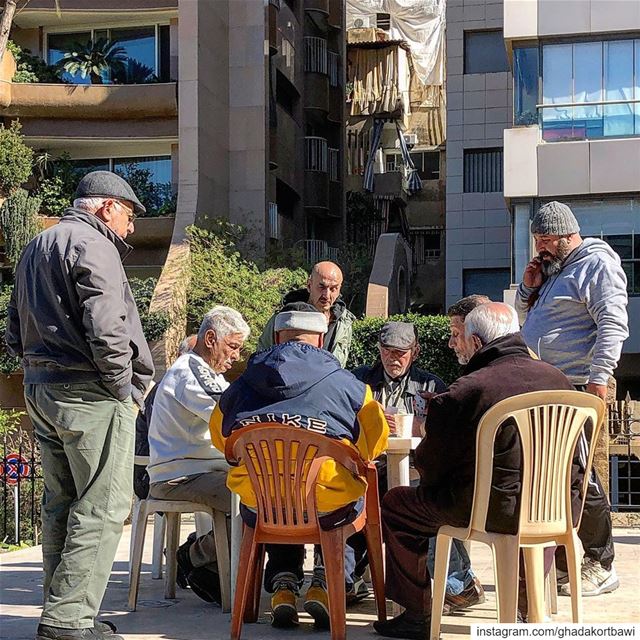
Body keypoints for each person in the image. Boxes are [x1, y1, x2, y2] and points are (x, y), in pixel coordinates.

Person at [5, 171, 154, 640]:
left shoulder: (37, 245)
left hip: (42, 388)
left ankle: (64, 612)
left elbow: (12, 328)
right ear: (107, 207)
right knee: (104, 507)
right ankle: (69, 621)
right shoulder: (95, 245)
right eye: (129, 215)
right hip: (89, 393)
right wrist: (121, 388)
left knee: (62, 505)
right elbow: (108, 324)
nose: (130, 228)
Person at [374, 303, 576, 639]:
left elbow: (430, 465)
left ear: (478, 343)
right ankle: (527, 611)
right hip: (556, 508)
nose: (456, 345)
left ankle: (417, 615)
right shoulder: (558, 380)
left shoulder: (470, 389)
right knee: (521, 510)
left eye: (461, 338)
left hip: (489, 511)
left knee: (398, 504)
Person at [210, 302, 388, 629]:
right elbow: (374, 443)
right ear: (320, 340)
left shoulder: (241, 385)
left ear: (277, 336)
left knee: (277, 491)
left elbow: (222, 440)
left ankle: (283, 588)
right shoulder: (349, 385)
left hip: (261, 506)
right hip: (327, 506)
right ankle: (324, 583)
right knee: (351, 493)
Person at [514, 201, 628, 597]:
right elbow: (528, 320)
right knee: (554, 478)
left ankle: (601, 563)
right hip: (550, 386)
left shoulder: (596, 264)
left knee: (581, 476)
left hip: (579, 386)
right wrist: (529, 286)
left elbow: (613, 322)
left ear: (566, 235)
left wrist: (599, 380)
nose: (540, 248)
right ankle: (566, 567)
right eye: (538, 240)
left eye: (546, 240)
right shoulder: (555, 271)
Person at [352, 321, 483, 613]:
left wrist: (421, 426)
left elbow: (449, 435)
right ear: (379, 350)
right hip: (368, 465)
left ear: (415, 352)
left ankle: (454, 583)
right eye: (387, 350)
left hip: (416, 468)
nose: (393, 358)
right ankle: (345, 578)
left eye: (401, 352)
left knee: (422, 497)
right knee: (353, 495)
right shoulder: (359, 381)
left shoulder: (431, 386)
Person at [146, 306, 249, 604]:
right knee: (256, 495)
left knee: (262, 492)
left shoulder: (208, 373)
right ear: (210, 338)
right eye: (232, 346)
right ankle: (196, 559)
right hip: (180, 477)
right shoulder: (189, 370)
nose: (236, 356)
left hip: (203, 472)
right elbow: (232, 414)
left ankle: (199, 558)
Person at [133, 334, 197, 501]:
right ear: (182, 358)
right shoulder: (166, 390)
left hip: (176, 469)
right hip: (153, 475)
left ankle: (217, 527)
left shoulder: (187, 387)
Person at [257, 261, 355, 366]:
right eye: (321, 287)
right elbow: (261, 358)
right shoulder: (284, 318)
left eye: (333, 289)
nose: (326, 295)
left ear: (339, 289)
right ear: (309, 285)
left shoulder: (344, 323)